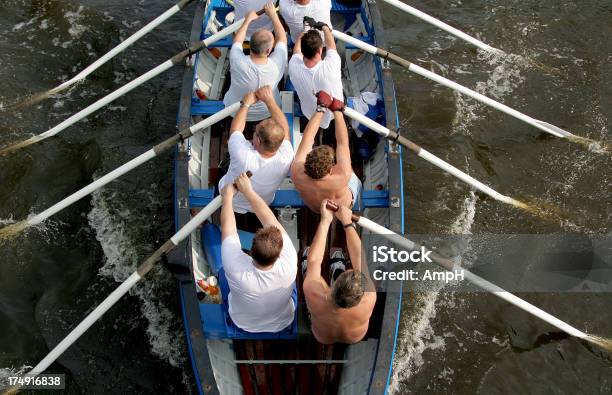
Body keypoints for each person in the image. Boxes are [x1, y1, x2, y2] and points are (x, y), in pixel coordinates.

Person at [220, 173, 298, 333]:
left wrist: (227, 198)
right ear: (278, 254)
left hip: (242, 322)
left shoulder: (235, 267)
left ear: (251, 251)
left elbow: (228, 229)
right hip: (284, 320)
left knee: (222, 272)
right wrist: (248, 192)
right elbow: (270, 220)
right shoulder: (289, 260)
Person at [302, 200, 376, 344]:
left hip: (323, 337)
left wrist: (325, 221)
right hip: (355, 338)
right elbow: (360, 259)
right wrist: (347, 223)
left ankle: (336, 269)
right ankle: (337, 268)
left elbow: (314, 261)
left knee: (311, 273)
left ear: (333, 287)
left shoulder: (314, 294)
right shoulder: (369, 297)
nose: (352, 269)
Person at [218, 88, 294, 214]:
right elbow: (284, 128)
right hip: (263, 203)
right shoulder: (287, 155)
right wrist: (269, 101)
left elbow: (235, 130)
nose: (253, 131)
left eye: (255, 131)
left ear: (258, 141)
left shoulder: (243, 155)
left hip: (231, 201)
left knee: (227, 160)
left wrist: (246, 104)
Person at [290, 94, 361, 213]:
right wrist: (337, 112)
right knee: (352, 174)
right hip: (342, 208)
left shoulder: (296, 172)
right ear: (330, 170)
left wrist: (321, 108)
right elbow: (342, 143)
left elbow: (307, 138)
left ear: (307, 161)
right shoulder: (342, 176)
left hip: (316, 208)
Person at [223, 3, 288, 121]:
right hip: (269, 112)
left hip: (235, 112)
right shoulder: (278, 62)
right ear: (269, 50)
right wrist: (273, 15)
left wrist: (247, 21)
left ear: (249, 46)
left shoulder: (236, 59)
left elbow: (237, 40)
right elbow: (282, 38)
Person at [288, 21, 342, 129]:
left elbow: (296, 50)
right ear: (321, 49)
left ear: (303, 51)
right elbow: (332, 46)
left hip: (309, 114)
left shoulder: (293, 65)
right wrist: (325, 28)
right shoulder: (332, 64)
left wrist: (304, 31)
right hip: (334, 115)